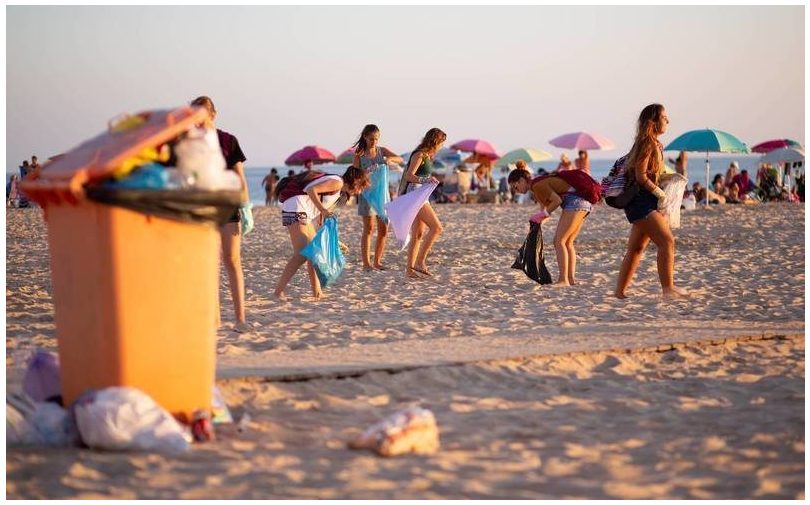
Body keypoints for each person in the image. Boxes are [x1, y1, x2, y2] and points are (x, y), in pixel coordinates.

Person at [190, 96, 251, 332]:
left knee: (232, 260)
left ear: (212, 114)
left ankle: (240, 318)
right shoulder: (190, 142)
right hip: (203, 206)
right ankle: (213, 318)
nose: (197, 120)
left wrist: (245, 207)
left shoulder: (228, 140)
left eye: (200, 114)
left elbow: (240, 177)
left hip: (227, 204)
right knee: (208, 263)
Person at [614, 103, 687, 300]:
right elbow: (640, 175)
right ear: (652, 122)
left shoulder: (653, 143)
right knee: (667, 241)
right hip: (641, 202)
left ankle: (619, 292)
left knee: (636, 249)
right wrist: (659, 192)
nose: (668, 121)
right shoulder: (647, 143)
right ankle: (668, 289)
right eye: (664, 117)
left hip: (645, 202)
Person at [274, 167, 370, 299]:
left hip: (300, 208)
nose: (360, 191)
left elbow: (320, 223)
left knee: (315, 252)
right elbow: (310, 190)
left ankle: (317, 292)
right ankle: (278, 292)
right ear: (356, 180)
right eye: (362, 186)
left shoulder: (338, 193)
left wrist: (335, 241)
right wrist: (323, 210)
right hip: (296, 206)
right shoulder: (338, 182)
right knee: (300, 255)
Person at [507, 167, 590, 285]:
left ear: (522, 180)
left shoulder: (537, 185)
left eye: (515, 186)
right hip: (584, 202)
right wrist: (535, 223)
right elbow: (545, 213)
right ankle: (570, 279)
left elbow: (557, 201)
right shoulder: (537, 188)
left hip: (575, 202)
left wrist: (542, 214)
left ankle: (563, 280)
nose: (516, 191)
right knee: (567, 242)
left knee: (559, 241)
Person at [351, 124, 404, 271]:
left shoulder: (382, 151)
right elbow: (354, 176)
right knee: (369, 229)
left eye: (376, 139)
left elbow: (400, 159)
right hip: (367, 195)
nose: (374, 142)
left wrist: (389, 160)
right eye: (371, 139)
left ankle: (377, 262)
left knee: (384, 229)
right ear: (365, 138)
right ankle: (366, 264)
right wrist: (365, 173)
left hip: (382, 195)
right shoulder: (359, 154)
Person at [401, 128, 445, 278]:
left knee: (418, 234)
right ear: (434, 141)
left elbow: (421, 174)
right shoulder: (419, 154)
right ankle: (420, 261)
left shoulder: (427, 156)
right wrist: (425, 180)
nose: (441, 146)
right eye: (441, 143)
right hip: (415, 193)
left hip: (421, 193)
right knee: (437, 228)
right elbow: (409, 175)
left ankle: (409, 270)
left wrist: (430, 179)